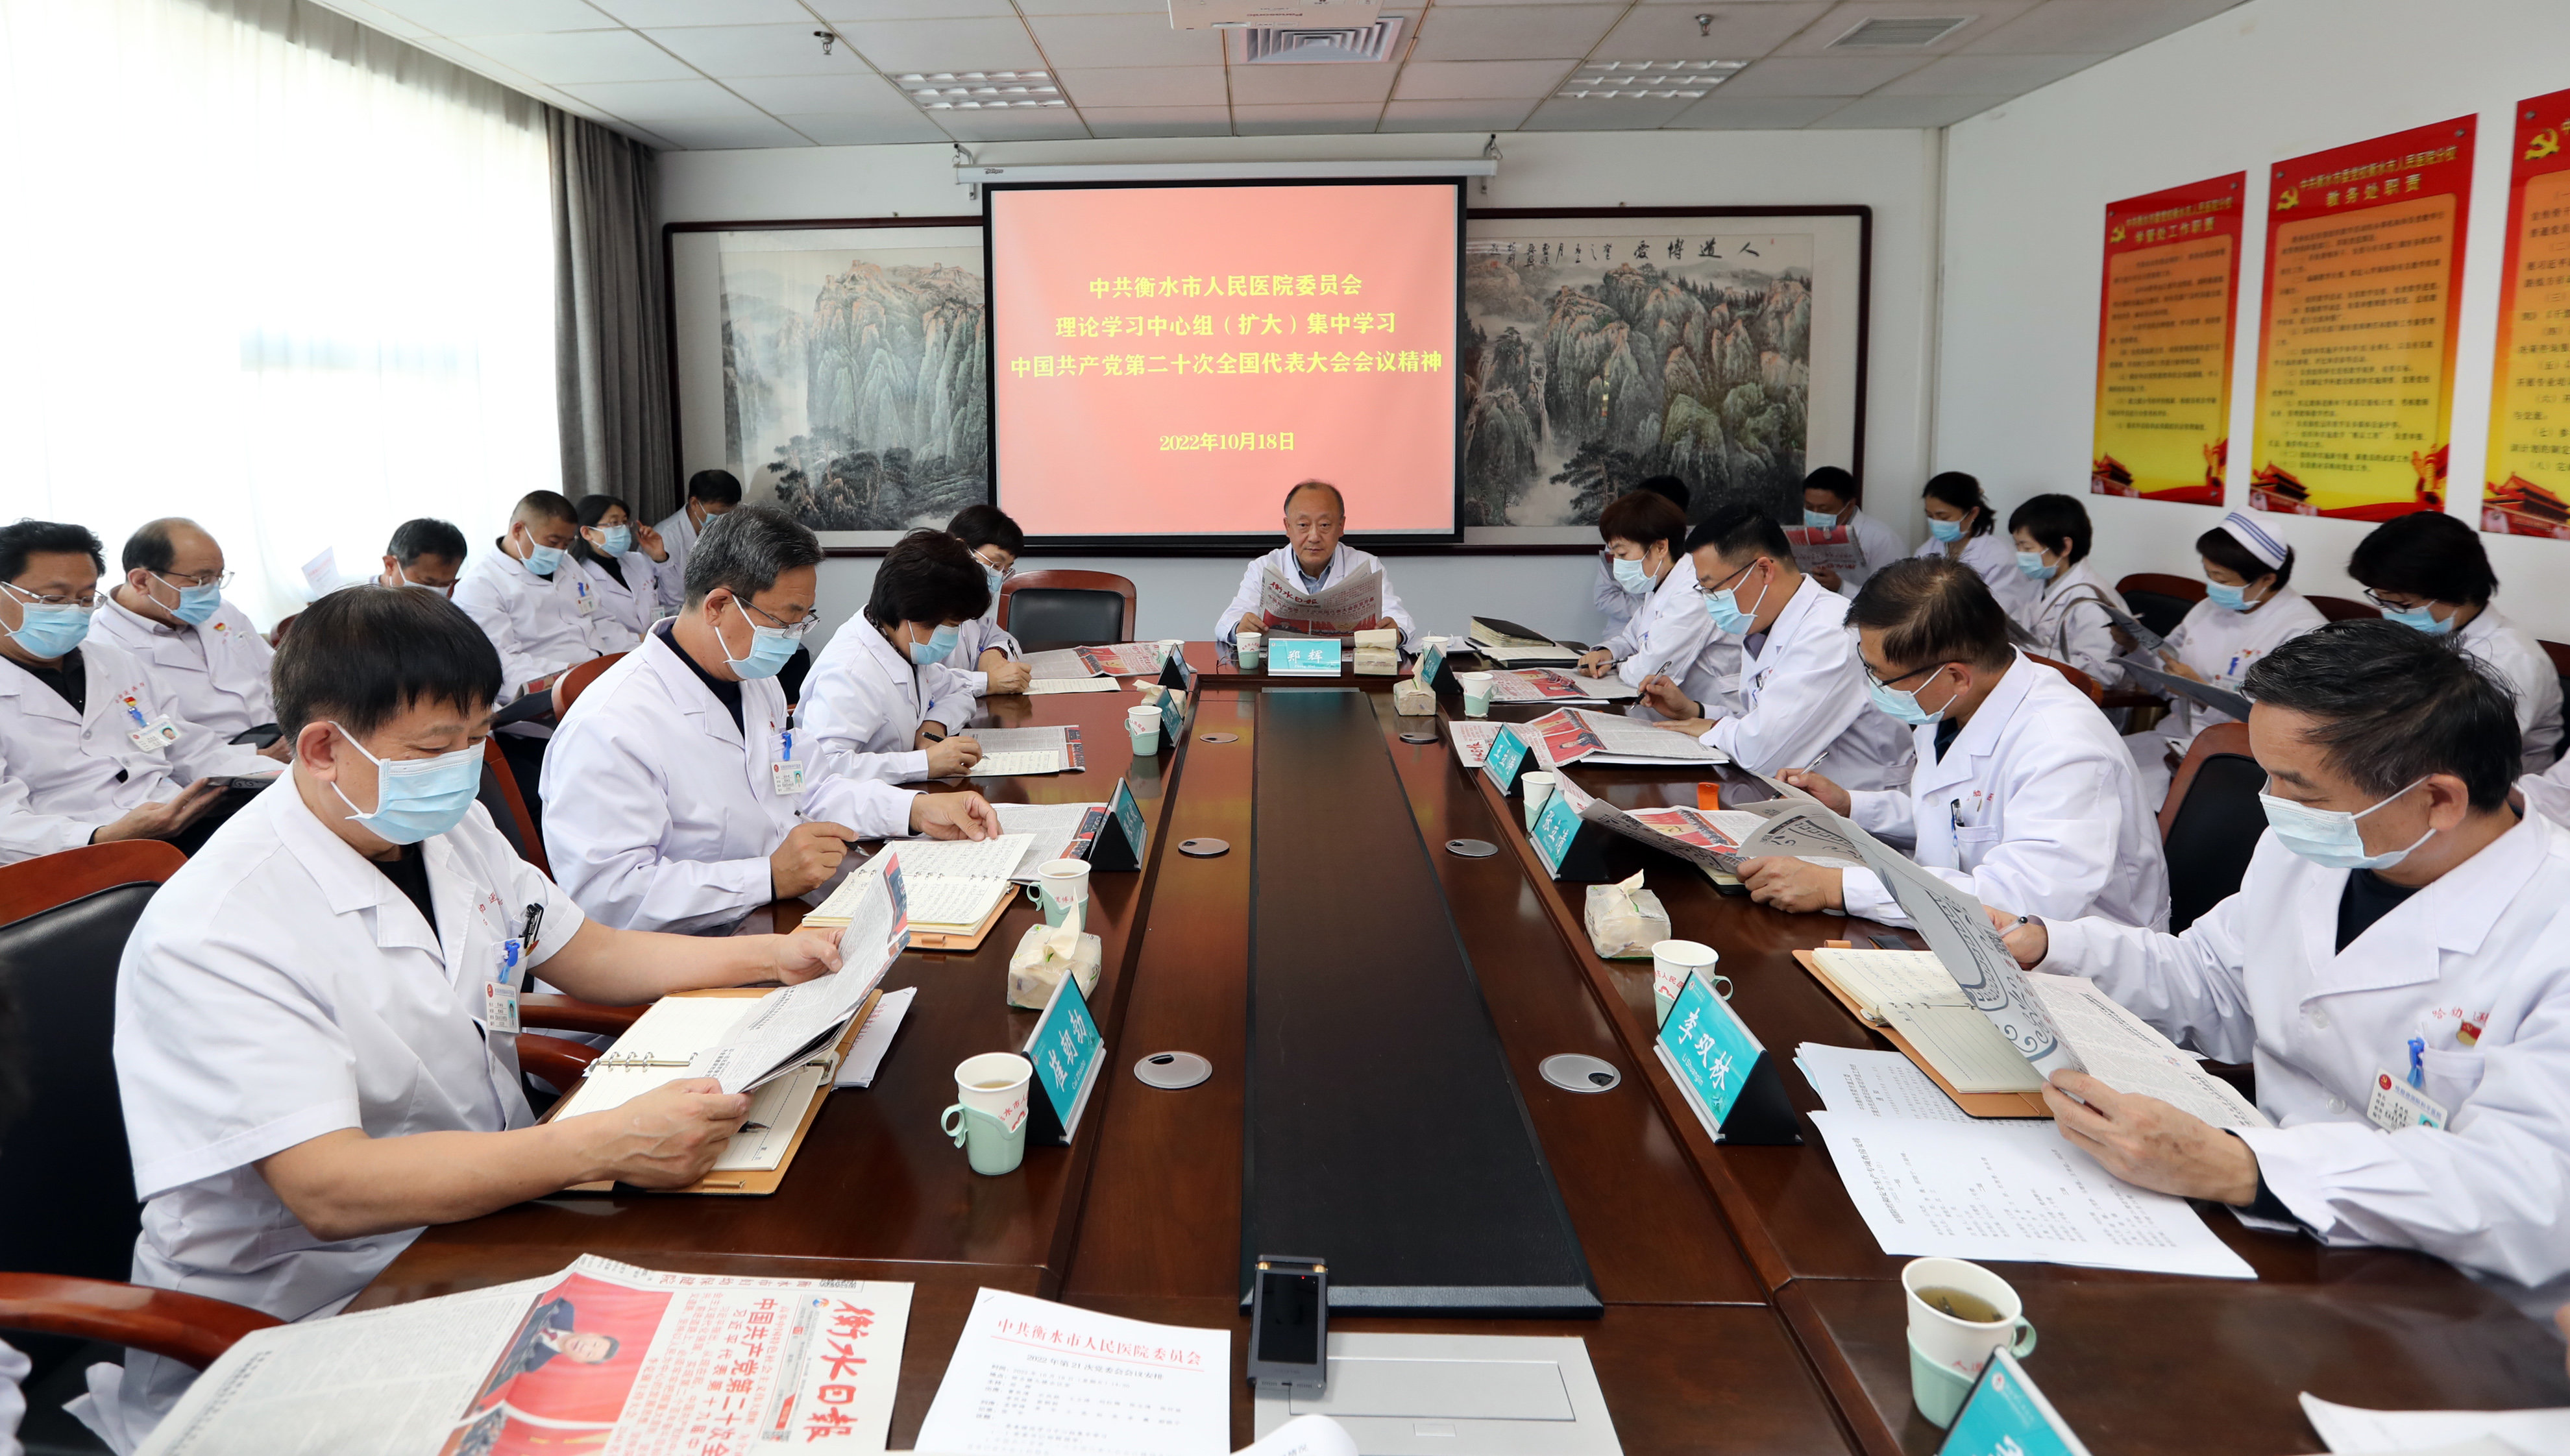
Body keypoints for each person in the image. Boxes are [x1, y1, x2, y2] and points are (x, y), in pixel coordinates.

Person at [107, 585, 853, 1432]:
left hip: (482, 1218)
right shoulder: (218, 926)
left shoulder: (436, 825)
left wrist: (771, 956)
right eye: (437, 745)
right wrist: (596, 1144)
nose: (466, 765)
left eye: (478, 737)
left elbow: (587, 953)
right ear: (321, 747)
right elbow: (331, 1190)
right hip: (321, 1301)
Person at [1987, 622, 2570, 1300]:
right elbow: (2214, 980)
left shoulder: (2549, 928)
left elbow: (2532, 1188)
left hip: (2450, 1291)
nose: (2273, 807)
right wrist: (2052, 943)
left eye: (2301, 790)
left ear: (2438, 799)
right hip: (2272, 1234)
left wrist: (2244, 1168)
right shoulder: (2321, 845)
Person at [543, 507, 998, 934]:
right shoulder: (610, 726)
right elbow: (610, 898)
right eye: (786, 621)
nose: (795, 638)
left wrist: (916, 810)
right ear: (718, 605)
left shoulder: (752, 679)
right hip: (690, 958)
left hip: (777, 918)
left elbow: (812, 785)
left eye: (804, 620)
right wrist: (766, 877)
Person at [1738, 559, 2168, 929]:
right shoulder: (1952, 702)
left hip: (2077, 970)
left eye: (1881, 676)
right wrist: (1851, 804)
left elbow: (2016, 904)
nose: (1874, 687)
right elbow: (1956, 818)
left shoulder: (2063, 749)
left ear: (1957, 675)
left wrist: (1838, 888)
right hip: (1962, 928)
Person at [0, 520, 276, 865]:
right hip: (76, 857)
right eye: (53, 598)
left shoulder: (118, 665)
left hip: (180, 825)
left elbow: (185, 746)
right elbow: (6, 825)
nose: (73, 610)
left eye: (86, 598)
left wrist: (274, 774)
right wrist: (102, 836)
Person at [1639, 504, 1912, 791]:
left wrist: (1711, 728)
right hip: (1799, 793)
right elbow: (1761, 720)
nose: (1709, 600)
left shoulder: (1830, 631)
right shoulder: (1763, 622)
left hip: (1861, 804)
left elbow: (1760, 752)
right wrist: (1694, 710)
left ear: (1764, 570)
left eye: (1713, 588)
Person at [2348, 512, 2562, 773]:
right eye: (2381, 600)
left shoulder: (2510, 661)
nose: (2390, 613)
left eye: (2403, 604)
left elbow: (2459, 758)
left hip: (2493, 792)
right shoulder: (2433, 635)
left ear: (2457, 592)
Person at [453, 492, 610, 819]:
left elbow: (598, 619)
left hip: (598, 688)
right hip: (537, 715)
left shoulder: (567, 565)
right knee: (575, 803)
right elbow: (502, 666)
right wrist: (576, 671)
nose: (560, 551)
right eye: (553, 540)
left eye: (566, 543)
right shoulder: (481, 586)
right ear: (519, 530)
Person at [798, 531, 990, 783]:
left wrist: (934, 726)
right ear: (911, 612)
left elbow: (960, 692)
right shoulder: (849, 671)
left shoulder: (901, 644)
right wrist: (923, 763)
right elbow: (824, 766)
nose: (954, 635)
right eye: (951, 625)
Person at [89, 518, 282, 751]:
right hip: (213, 764)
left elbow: (275, 674)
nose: (212, 590)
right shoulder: (102, 646)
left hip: (282, 735)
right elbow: (152, 737)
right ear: (141, 581)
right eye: (200, 580)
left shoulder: (221, 611)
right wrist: (251, 757)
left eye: (217, 577)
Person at [1574, 489, 1737, 716]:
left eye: (1622, 554)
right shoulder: (1660, 582)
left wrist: (1617, 664)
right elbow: (1632, 637)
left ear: (1661, 547)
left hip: (1712, 715)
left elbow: (1649, 673)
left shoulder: (1694, 592)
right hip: (1667, 714)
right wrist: (1607, 653)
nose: (1618, 564)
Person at [1216, 480, 1417, 646]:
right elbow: (1227, 622)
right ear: (1288, 527)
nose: (1314, 537)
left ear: (1341, 526)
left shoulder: (1367, 565)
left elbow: (1400, 620)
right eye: (1303, 525)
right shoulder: (1264, 567)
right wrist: (1239, 628)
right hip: (1279, 672)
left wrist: (1396, 631)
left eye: (1324, 525)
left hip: (1349, 675)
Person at [2005, 492, 2131, 687]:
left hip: (2076, 698)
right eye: (2018, 546)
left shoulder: (2093, 599)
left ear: (2064, 547)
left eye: (2028, 548)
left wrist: (2030, 653)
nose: (2020, 555)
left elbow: (2105, 672)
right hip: (2033, 683)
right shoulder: (2038, 583)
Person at [566, 493, 679, 654]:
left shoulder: (638, 561)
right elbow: (601, 632)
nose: (623, 528)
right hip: (620, 657)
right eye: (614, 523)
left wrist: (660, 558)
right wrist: (648, 639)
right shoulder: (579, 577)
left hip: (660, 648)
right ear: (587, 532)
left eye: (625, 522)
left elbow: (673, 600)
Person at [1913, 471, 2038, 616]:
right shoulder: (1927, 549)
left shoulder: (2000, 555)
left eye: (1944, 517)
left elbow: (2000, 612)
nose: (1936, 523)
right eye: (1930, 516)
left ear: (1972, 513)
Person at [944, 504, 1031, 696]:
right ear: (960, 549)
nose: (999, 576)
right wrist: (987, 682)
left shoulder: (968, 604)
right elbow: (926, 682)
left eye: (1006, 569)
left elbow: (1001, 637)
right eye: (996, 564)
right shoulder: (925, 599)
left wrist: (993, 654)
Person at [1592, 476, 1690, 634]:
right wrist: (1652, 612)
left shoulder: (1696, 552)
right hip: (1623, 633)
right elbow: (1605, 598)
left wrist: (1661, 612)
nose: (1618, 559)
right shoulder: (1618, 546)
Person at [1800, 466, 1906, 598]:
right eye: (1809, 507)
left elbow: (1892, 595)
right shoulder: (1806, 534)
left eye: (1824, 509)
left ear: (1849, 505)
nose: (1815, 515)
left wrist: (1841, 587)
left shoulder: (1881, 538)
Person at [655, 469, 742, 590]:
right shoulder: (666, 537)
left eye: (729, 514)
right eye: (717, 513)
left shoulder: (730, 531)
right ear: (695, 503)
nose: (724, 520)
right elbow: (664, 596)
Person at [378, 518, 468, 596]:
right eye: (426, 583)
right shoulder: (364, 607)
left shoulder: (457, 604)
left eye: (445, 584)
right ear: (390, 565)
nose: (436, 593)